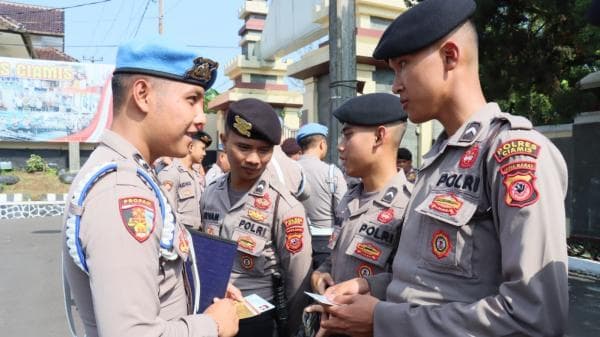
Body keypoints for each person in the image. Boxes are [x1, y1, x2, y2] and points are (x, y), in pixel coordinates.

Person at [319, 1, 569, 336]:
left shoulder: (511, 154)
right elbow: (428, 281)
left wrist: (383, 319)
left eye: (403, 65)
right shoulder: (435, 162)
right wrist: (369, 288)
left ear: (450, 56)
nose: (395, 86)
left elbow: (534, 316)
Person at [61, 37, 239, 337]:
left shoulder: (135, 172)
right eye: (191, 100)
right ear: (142, 94)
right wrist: (213, 325)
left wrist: (197, 286)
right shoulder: (122, 191)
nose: (201, 118)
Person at [200, 98, 313, 337]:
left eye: (264, 150)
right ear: (224, 141)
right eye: (243, 147)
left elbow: (298, 282)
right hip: (211, 316)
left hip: (258, 323)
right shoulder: (210, 193)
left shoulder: (284, 206)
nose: (254, 159)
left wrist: (289, 331)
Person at [306, 94, 412, 336]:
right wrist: (321, 274)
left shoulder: (409, 205)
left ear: (379, 136)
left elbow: (413, 283)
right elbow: (335, 258)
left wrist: (365, 288)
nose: (339, 145)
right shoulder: (350, 197)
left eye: (348, 134)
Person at [296, 123, 347, 269]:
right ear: (322, 144)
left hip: (295, 239)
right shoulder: (332, 172)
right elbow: (342, 210)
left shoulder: (290, 170)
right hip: (325, 243)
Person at [158, 130, 212, 229]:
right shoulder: (171, 173)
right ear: (191, 147)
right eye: (203, 149)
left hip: (198, 236)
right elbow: (167, 213)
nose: (204, 153)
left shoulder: (195, 174)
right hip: (181, 237)